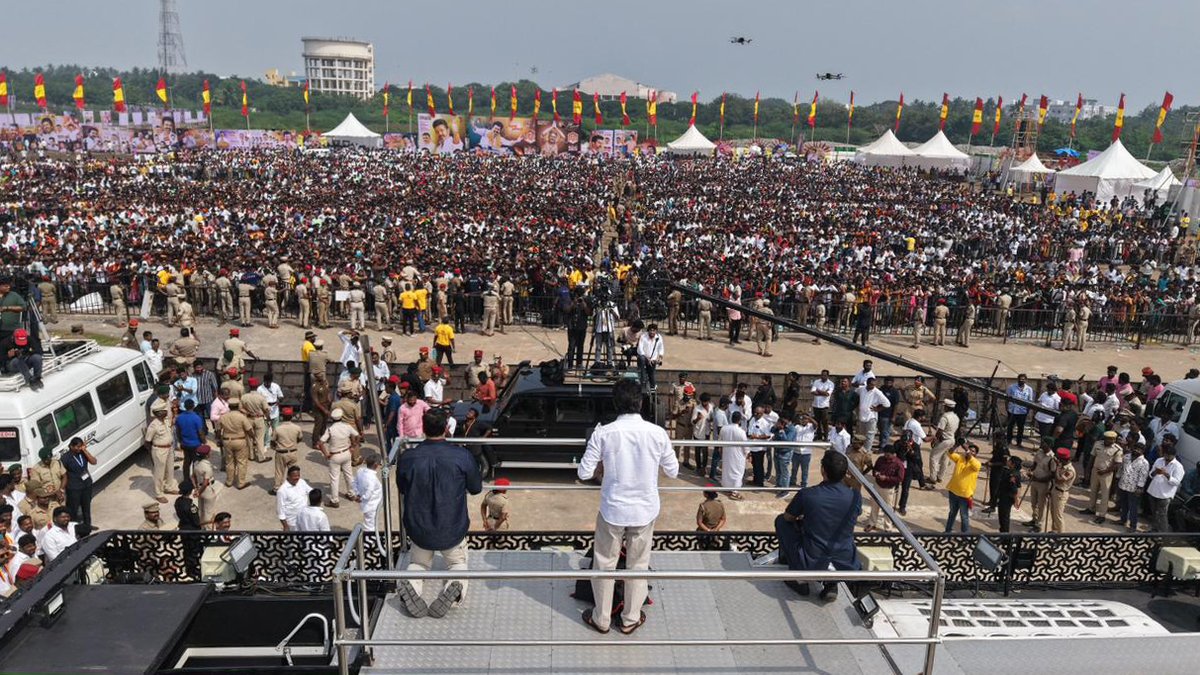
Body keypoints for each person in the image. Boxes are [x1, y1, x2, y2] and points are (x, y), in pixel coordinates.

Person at [577, 378, 678, 635]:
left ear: (615, 403)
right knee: (638, 564)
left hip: (613, 509)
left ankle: (601, 619)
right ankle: (630, 619)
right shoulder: (657, 433)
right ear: (641, 403)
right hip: (644, 510)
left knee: (604, 563)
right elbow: (673, 471)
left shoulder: (604, 432)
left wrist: (604, 467)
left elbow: (584, 472)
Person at [395, 409, 482, 619]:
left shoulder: (408, 457)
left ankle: (413, 588)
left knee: (418, 564)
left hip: (419, 528)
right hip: (452, 526)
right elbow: (476, 488)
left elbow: (402, 487)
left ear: (423, 429)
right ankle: (454, 588)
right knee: (457, 564)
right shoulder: (462, 455)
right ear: (446, 428)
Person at [774, 452, 861, 600]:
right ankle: (831, 583)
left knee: (781, 522)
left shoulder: (808, 494)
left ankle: (798, 579)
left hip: (812, 560)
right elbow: (853, 513)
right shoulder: (855, 496)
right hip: (845, 561)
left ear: (823, 470)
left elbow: (788, 517)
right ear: (845, 473)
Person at [318, 408, 359, 508]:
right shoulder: (347, 426)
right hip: (346, 453)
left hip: (335, 455)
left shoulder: (330, 429)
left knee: (334, 478)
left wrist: (326, 454)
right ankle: (351, 494)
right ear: (341, 417)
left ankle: (335, 500)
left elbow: (320, 443)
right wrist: (353, 446)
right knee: (349, 475)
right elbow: (357, 435)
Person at [1082, 431, 1122, 524]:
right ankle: (1091, 508)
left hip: (1106, 474)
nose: (1109, 441)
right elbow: (1092, 457)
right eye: (1107, 438)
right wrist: (1088, 470)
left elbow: (1117, 464)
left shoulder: (1117, 449)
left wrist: (1106, 471)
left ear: (1114, 440)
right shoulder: (1098, 444)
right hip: (1095, 470)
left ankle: (1102, 515)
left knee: (1104, 495)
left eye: (1111, 439)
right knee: (1093, 490)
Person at [144, 401, 178, 503]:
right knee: (159, 473)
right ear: (158, 413)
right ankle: (158, 494)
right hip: (159, 450)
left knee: (170, 468)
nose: (166, 412)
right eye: (164, 411)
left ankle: (169, 487)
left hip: (169, 448)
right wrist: (153, 454)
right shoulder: (153, 425)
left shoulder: (166, 421)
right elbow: (147, 442)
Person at [865, 444, 905, 531]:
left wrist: (886, 478)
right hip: (877, 485)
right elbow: (875, 469)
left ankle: (887, 527)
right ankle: (872, 523)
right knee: (874, 505)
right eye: (885, 454)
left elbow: (900, 478)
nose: (886, 456)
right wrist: (876, 474)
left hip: (888, 488)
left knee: (887, 508)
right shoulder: (880, 459)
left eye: (888, 455)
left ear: (893, 454)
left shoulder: (898, 464)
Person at [944, 442, 981, 533]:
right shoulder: (960, 458)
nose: (970, 452)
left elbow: (972, 460)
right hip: (953, 491)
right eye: (970, 450)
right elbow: (950, 453)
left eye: (973, 451)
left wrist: (966, 449)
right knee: (952, 513)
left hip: (965, 495)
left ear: (975, 454)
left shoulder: (976, 464)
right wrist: (956, 444)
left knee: (964, 516)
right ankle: (948, 531)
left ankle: (965, 535)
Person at [1147, 445, 1185, 532]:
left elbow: (1176, 482)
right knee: (1154, 513)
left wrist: (1167, 475)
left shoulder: (1178, 466)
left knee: (1162, 515)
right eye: (1165, 455)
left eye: (1169, 455)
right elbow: (1150, 474)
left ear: (1174, 455)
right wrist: (1155, 472)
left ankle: (1163, 534)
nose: (1167, 457)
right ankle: (1154, 530)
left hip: (1165, 495)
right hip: (1153, 491)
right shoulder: (1159, 460)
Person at [62, 437, 96, 530]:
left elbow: (94, 462)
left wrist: (85, 451)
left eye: (80, 446)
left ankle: (87, 525)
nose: (79, 448)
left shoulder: (83, 453)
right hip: (74, 487)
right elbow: (62, 473)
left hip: (86, 484)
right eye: (77, 446)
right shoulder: (65, 457)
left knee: (86, 506)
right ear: (71, 446)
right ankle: (73, 528)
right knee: (73, 509)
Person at [270, 407, 304, 495]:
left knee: (279, 471)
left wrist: (274, 447)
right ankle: (295, 487)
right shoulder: (297, 428)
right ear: (291, 416)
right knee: (293, 471)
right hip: (293, 452)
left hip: (281, 453)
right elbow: (299, 439)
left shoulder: (278, 429)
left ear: (282, 416)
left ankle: (277, 488)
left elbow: (273, 441)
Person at [1117, 444, 1150, 531]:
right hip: (1123, 484)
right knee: (1123, 504)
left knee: (1133, 507)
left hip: (1134, 488)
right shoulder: (1127, 456)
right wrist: (1118, 477)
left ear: (1143, 451)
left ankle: (1133, 525)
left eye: (1139, 449)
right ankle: (1122, 520)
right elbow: (1121, 468)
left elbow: (1143, 476)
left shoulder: (1144, 463)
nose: (1136, 450)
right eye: (1135, 448)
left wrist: (1139, 488)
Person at [928, 400, 959, 484]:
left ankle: (933, 478)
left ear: (946, 407)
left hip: (944, 440)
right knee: (945, 459)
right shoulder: (956, 417)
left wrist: (935, 439)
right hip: (951, 439)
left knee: (934, 457)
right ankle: (940, 477)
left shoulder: (945, 417)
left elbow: (940, 431)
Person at [352, 454, 384, 530]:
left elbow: (354, 482)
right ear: (376, 465)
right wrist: (360, 498)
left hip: (368, 504)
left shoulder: (360, 470)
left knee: (370, 523)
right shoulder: (372, 478)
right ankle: (369, 541)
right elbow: (369, 493)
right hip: (372, 505)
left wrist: (357, 494)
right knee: (371, 526)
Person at [1048, 448, 1076, 533]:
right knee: (1053, 512)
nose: (1058, 461)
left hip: (1061, 493)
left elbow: (1058, 480)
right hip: (1055, 490)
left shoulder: (1069, 470)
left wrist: (1056, 467)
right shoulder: (1061, 465)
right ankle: (1055, 530)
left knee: (1058, 515)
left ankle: (1061, 535)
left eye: (1060, 459)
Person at [276, 466, 312, 531]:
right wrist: (286, 526)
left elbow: (311, 492)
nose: (297, 478)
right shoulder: (282, 491)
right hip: (292, 523)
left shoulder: (302, 482)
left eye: (298, 475)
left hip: (304, 519)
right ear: (288, 476)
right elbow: (280, 511)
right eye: (295, 476)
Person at [994, 455, 1023, 533]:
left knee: (1004, 517)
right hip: (1003, 496)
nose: (1008, 461)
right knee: (1002, 516)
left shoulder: (1013, 475)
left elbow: (1014, 488)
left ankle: (1005, 536)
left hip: (1007, 498)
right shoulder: (1010, 471)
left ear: (1013, 464)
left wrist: (1016, 500)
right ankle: (1002, 532)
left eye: (1009, 461)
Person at [192, 444, 218, 528]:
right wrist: (199, 491)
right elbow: (205, 482)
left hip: (199, 488)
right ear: (207, 455)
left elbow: (193, 476)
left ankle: (202, 527)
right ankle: (209, 530)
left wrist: (196, 489)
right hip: (206, 490)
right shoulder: (207, 467)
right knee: (209, 512)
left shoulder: (196, 463)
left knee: (201, 511)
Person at [1005, 374, 1034, 447]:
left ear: (1025, 380)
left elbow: (1030, 401)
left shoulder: (1029, 389)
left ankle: (1019, 442)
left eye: (1023, 379)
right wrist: (1007, 408)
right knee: (1010, 427)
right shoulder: (1011, 387)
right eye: (1020, 379)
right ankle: (1008, 440)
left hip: (1022, 412)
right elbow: (1007, 399)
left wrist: (1027, 411)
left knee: (1020, 428)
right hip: (1012, 411)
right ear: (1017, 379)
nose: (1021, 380)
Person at [635, 323, 664, 391]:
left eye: (653, 330)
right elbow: (640, 349)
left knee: (652, 373)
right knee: (642, 359)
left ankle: (653, 387)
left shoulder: (659, 338)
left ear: (656, 331)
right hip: (643, 358)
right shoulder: (643, 336)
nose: (652, 332)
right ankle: (643, 380)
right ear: (648, 331)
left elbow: (661, 349)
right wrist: (647, 358)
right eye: (650, 330)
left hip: (652, 359)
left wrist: (660, 358)